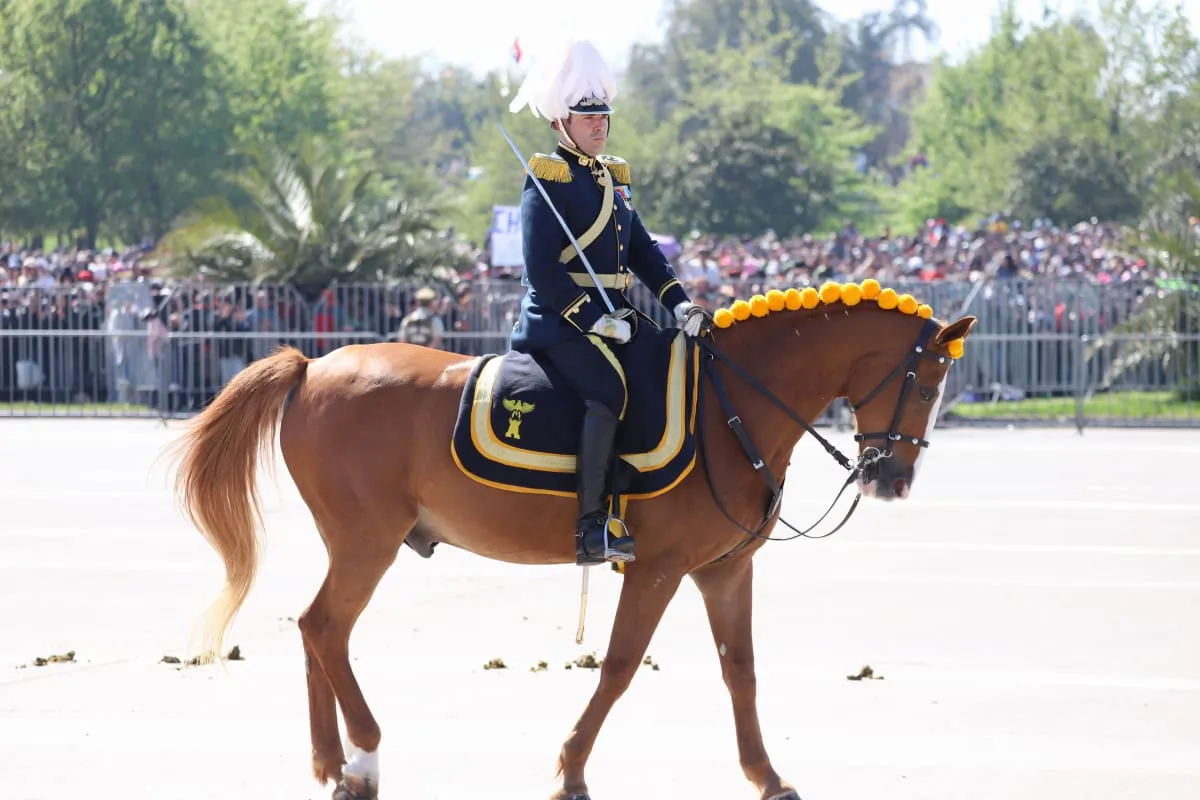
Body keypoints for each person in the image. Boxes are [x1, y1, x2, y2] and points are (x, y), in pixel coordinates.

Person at [507, 39, 706, 566]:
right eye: (587, 117)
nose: (599, 125)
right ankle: (591, 526)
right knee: (608, 387)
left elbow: (642, 250)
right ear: (561, 123)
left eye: (604, 116)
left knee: (671, 366)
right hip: (559, 321)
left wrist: (678, 303)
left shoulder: (611, 176)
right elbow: (542, 269)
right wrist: (593, 319)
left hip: (615, 318)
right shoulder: (549, 177)